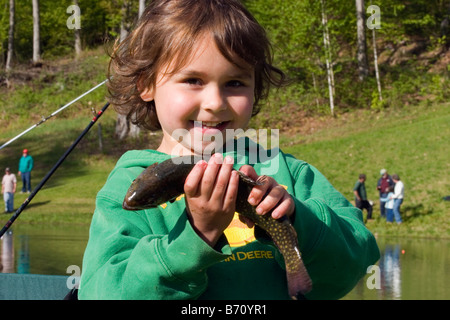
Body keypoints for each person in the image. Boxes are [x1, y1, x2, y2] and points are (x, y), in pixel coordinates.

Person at [78, 0, 379, 300]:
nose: (215, 102)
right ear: (147, 84)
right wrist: (195, 238)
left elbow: (356, 256)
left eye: (235, 82)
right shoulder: (127, 188)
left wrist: (300, 220)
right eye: (193, 80)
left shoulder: (287, 172)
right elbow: (103, 293)